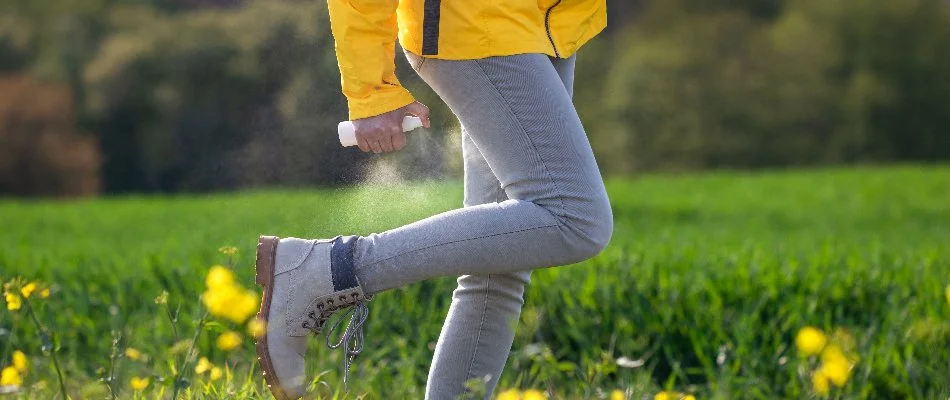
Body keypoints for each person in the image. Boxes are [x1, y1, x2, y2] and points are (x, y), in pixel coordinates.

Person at [253, 1, 611, 399]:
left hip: (543, 21)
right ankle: (326, 269)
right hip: (477, 23)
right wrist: (372, 90)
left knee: (499, 268)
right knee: (575, 218)